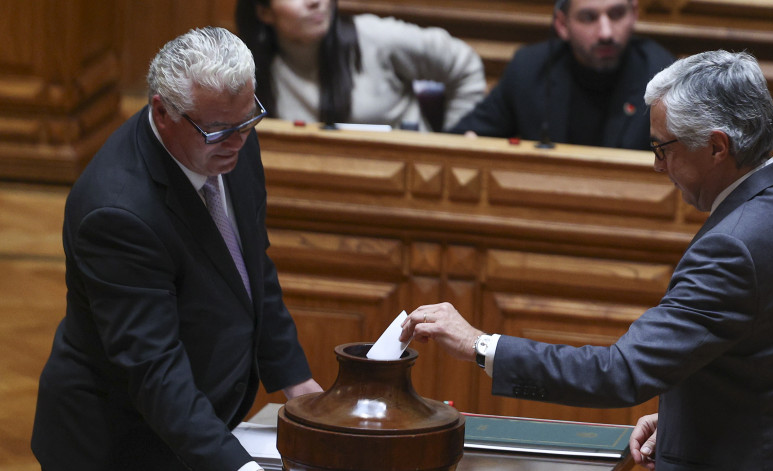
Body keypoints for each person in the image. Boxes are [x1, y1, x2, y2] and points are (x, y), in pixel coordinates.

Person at [402, 50, 773, 470]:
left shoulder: (733, 246)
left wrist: (480, 345)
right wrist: (682, 421)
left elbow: (620, 373)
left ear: (717, 147)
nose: (658, 166)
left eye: (664, 148)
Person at [31, 27, 322, 471]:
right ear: (162, 112)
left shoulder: (229, 133)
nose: (239, 141)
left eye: (249, 120)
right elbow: (155, 371)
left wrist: (298, 383)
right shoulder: (116, 213)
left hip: (198, 421)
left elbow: (251, 267)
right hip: (120, 445)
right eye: (220, 130)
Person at [449, 0, 674, 150]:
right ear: (562, 24)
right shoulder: (529, 69)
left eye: (616, 15)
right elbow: (467, 136)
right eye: (588, 18)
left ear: (634, 13)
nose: (606, 32)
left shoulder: (661, 72)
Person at [235, 0, 486, 131]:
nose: (315, 2)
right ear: (264, 12)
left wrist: (452, 144)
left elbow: (465, 65)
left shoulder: (376, 37)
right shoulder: (250, 69)